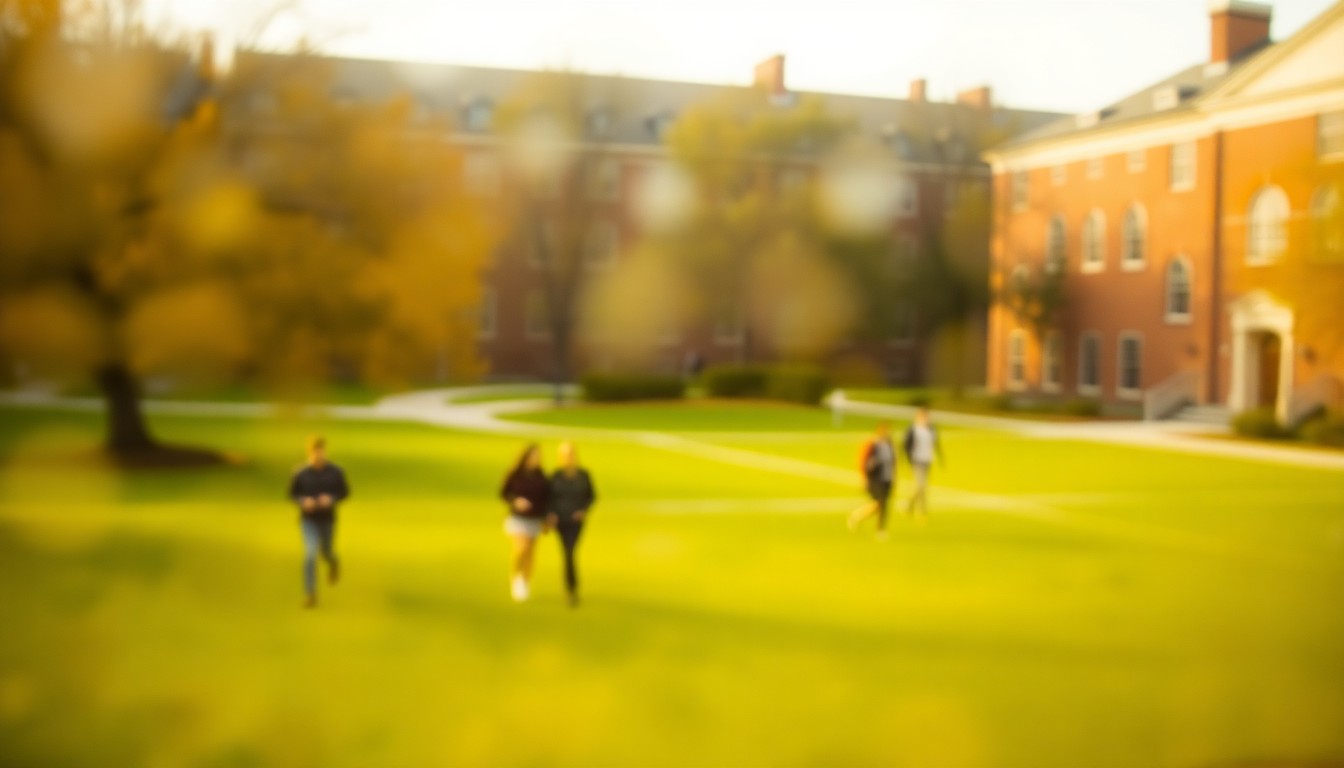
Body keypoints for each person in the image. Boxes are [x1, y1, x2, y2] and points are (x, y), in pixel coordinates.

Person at [288, 435, 350, 609]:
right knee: (310, 553)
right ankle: (311, 594)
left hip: (327, 519)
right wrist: (303, 501)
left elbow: (345, 492)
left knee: (326, 551)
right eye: (316, 453)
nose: (319, 456)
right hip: (308, 520)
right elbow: (292, 494)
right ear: (310, 453)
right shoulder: (300, 473)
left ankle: (333, 562)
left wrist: (331, 499)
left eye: (321, 452)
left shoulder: (335, 472)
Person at [547, 441, 597, 607]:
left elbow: (591, 496)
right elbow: (549, 498)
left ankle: (571, 587)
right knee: (568, 552)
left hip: (576, 520)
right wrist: (551, 515)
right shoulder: (556, 476)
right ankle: (571, 588)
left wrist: (584, 510)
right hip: (561, 519)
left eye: (571, 454)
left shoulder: (583, 475)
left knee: (571, 551)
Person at [500, 443, 550, 602]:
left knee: (530, 552)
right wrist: (516, 501)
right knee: (521, 548)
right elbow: (504, 493)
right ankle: (515, 578)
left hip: (535, 518)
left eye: (538, 456)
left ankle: (525, 582)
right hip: (518, 518)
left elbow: (546, 499)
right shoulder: (515, 474)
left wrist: (546, 518)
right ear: (526, 457)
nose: (536, 459)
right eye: (534, 456)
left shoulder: (541, 476)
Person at [848, 420, 895, 538]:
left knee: (881, 505)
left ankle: (857, 516)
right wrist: (863, 477)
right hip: (875, 478)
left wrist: (893, 477)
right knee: (880, 503)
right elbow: (863, 461)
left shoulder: (890, 444)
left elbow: (892, 462)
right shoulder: (873, 445)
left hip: (887, 477)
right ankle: (880, 530)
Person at [903, 406, 945, 522]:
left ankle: (918, 510)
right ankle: (914, 507)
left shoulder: (931, 429)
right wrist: (909, 460)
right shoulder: (913, 429)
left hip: (927, 460)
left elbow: (936, 443)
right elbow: (906, 445)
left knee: (923, 487)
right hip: (917, 460)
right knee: (920, 486)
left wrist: (940, 458)